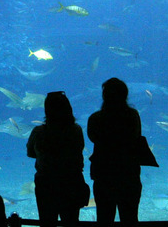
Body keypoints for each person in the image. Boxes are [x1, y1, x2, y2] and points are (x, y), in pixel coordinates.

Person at [87, 78, 143, 227]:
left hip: (104, 176)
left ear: (104, 96)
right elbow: (136, 136)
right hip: (129, 175)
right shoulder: (132, 116)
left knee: (104, 219)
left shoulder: (95, 118)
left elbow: (93, 138)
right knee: (130, 218)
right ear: (125, 95)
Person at [26, 91, 87, 227]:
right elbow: (79, 149)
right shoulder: (76, 130)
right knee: (71, 222)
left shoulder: (39, 132)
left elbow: (30, 153)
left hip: (46, 184)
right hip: (71, 182)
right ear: (68, 109)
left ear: (47, 110)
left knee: (47, 222)